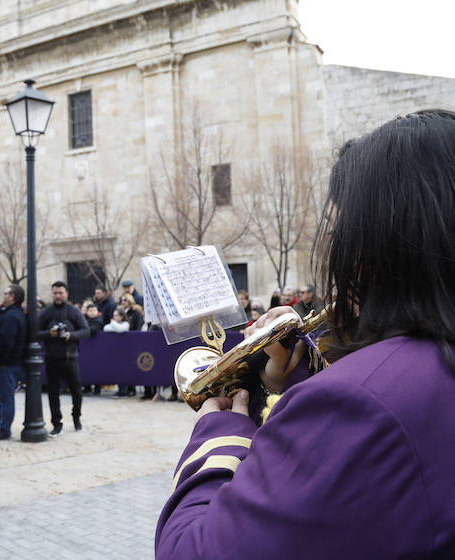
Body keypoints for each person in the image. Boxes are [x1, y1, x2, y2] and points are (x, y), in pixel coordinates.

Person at [155, 110, 455, 558]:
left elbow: (192, 551)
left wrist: (219, 434)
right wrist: (292, 381)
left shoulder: (355, 405)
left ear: (377, 245)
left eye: (339, 232)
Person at [38, 281, 90, 436]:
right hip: (51, 358)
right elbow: (34, 332)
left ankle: (76, 417)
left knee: (77, 391)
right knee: (53, 393)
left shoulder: (74, 311)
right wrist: (49, 334)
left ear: (67, 293)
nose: (58, 296)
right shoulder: (46, 312)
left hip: (70, 357)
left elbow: (86, 331)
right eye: (55, 293)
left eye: (60, 293)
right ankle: (56, 423)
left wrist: (71, 336)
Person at [0, 284, 27, 441]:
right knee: (1, 394)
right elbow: (0, 314)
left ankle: (4, 429)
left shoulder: (12, 317)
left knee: (5, 396)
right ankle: (3, 426)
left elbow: (6, 342)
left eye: (6, 293)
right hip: (8, 364)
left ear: (12, 297)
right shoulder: (12, 313)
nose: (3, 295)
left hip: (7, 364)